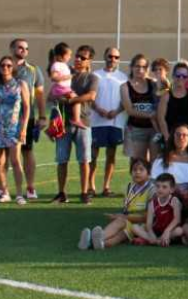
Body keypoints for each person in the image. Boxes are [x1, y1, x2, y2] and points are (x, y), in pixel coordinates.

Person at [52, 45, 98, 204]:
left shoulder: (92, 78)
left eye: (83, 58)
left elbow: (91, 96)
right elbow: (55, 88)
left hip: (83, 123)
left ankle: (84, 192)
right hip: (63, 123)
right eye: (77, 56)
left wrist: (71, 100)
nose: (78, 59)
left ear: (89, 61)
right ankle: (61, 193)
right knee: (61, 160)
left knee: (84, 160)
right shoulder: (66, 72)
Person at [0, 55, 31, 204]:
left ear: (13, 68)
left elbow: (26, 107)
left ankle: (19, 194)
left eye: (8, 65)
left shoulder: (20, 84)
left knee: (15, 160)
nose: (5, 68)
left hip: (14, 127)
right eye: (2, 66)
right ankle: (4, 192)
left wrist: (23, 128)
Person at [79, 159, 153, 250]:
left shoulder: (152, 190)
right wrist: (118, 216)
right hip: (129, 223)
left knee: (121, 227)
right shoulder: (129, 187)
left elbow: (146, 218)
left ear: (149, 174)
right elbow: (126, 210)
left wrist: (122, 217)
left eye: (141, 169)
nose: (137, 172)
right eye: (134, 170)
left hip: (142, 227)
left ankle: (92, 240)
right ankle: (97, 243)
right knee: (119, 231)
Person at [8, 39, 46, 202]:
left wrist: (43, 116)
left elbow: (39, 95)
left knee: (27, 151)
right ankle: (2, 187)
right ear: (12, 49)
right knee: (3, 153)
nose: (23, 50)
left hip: (26, 118)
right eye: (20, 47)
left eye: (26, 48)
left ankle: (30, 186)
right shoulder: (3, 68)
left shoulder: (33, 70)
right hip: (5, 119)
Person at [88, 46, 127, 197]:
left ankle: (106, 187)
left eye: (116, 57)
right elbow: (89, 97)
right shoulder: (95, 75)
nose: (113, 59)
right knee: (93, 155)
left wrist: (116, 112)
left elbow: (126, 100)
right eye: (110, 56)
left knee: (111, 155)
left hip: (115, 122)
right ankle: (90, 186)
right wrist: (99, 110)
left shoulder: (123, 77)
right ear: (105, 56)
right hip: (96, 121)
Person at [121, 54, 158, 163]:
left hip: (154, 129)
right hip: (136, 129)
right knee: (138, 163)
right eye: (137, 66)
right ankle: (134, 181)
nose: (140, 69)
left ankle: (153, 181)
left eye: (144, 67)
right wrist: (151, 114)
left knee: (155, 162)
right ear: (131, 67)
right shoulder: (125, 87)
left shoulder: (154, 84)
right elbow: (130, 110)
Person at [151, 126, 188, 200]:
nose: (181, 137)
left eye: (184, 135)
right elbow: (154, 181)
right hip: (166, 197)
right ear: (173, 137)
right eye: (178, 134)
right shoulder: (162, 158)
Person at [131, 172, 183, 247]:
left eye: (164, 187)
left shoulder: (174, 201)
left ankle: (151, 240)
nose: (160, 189)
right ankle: (157, 241)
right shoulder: (152, 203)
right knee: (134, 227)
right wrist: (151, 233)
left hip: (170, 230)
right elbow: (149, 224)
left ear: (171, 189)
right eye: (158, 186)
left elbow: (177, 219)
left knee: (179, 231)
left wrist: (167, 231)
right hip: (156, 231)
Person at [157, 62, 188, 143]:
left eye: (184, 76)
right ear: (173, 76)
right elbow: (161, 118)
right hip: (171, 136)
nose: (181, 78)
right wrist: (166, 136)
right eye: (178, 75)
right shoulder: (166, 95)